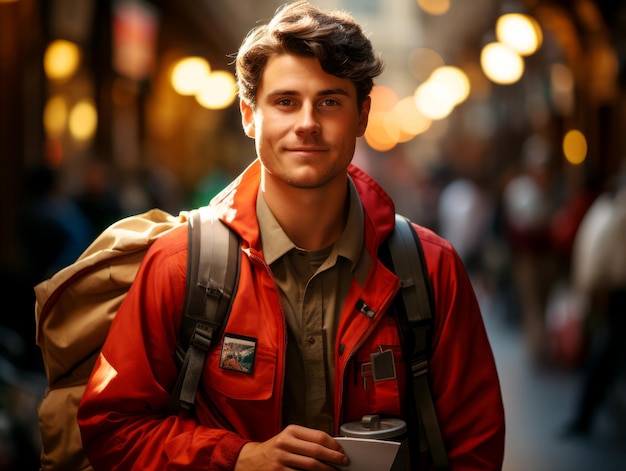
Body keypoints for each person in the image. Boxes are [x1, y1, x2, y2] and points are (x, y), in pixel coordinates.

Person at [77, 1, 505, 469]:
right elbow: (112, 429)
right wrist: (237, 459)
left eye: (329, 101)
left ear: (362, 116)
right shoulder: (180, 265)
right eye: (285, 102)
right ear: (248, 114)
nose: (307, 123)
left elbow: (474, 449)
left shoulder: (430, 269)